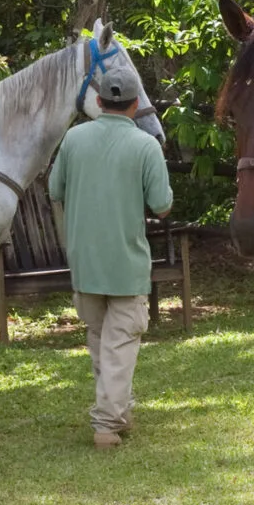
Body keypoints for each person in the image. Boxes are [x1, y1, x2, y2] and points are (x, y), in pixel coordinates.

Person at [46, 72, 173, 449]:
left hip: (84, 261)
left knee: (102, 341)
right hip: (126, 262)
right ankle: (107, 423)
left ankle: (119, 409)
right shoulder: (145, 145)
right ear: (135, 105)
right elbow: (162, 205)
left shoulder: (73, 138)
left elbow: (55, 190)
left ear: (98, 102)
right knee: (119, 343)